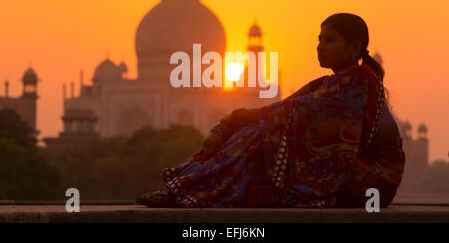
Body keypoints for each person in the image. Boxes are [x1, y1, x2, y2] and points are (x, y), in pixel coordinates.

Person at [135, 13, 405, 208]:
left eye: (329, 40)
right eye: (319, 39)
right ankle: (187, 187)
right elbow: (281, 108)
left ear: (354, 48)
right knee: (263, 130)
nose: (319, 46)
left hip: (374, 181)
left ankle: (187, 189)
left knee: (266, 133)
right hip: (350, 174)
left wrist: (234, 117)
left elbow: (289, 110)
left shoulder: (358, 79)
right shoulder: (327, 84)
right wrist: (228, 124)